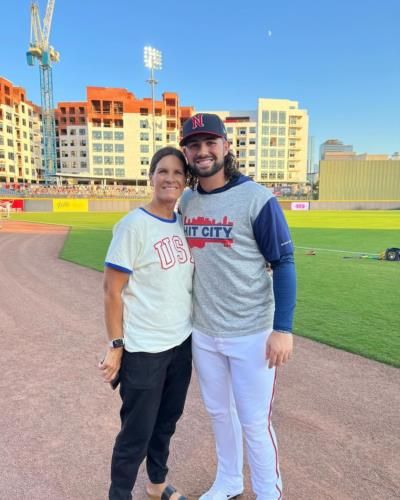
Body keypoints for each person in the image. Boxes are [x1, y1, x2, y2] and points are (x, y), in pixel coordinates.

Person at [179, 113, 296, 500]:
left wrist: (283, 329)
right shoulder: (187, 201)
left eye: (211, 142)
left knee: (253, 421)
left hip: (252, 332)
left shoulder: (257, 199)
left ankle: (268, 493)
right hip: (205, 330)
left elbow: (283, 264)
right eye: (194, 144)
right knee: (217, 413)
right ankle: (229, 480)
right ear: (187, 152)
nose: (203, 151)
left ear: (226, 147)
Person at [99, 146, 193, 500]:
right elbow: (111, 290)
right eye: (163, 171)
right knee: (136, 432)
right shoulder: (133, 225)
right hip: (144, 350)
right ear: (151, 177)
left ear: (185, 181)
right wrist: (116, 346)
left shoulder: (182, 223)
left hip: (180, 344)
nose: (170, 178)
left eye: (177, 173)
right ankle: (119, 494)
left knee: (167, 423)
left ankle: (155, 486)